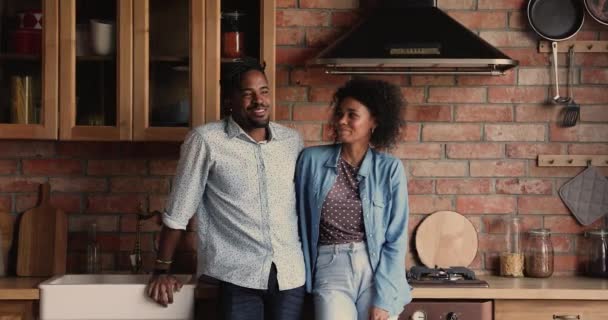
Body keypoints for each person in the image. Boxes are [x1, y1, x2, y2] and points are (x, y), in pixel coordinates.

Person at [147, 57, 306, 320]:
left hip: (290, 276)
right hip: (237, 277)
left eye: (264, 91)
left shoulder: (292, 141)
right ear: (229, 100)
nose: (259, 101)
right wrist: (162, 270)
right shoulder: (206, 141)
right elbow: (178, 211)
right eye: (248, 94)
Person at [295, 78, 411, 320]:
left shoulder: (390, 169)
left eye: (352, 115)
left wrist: (384, 297)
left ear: (374, 121)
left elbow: (396, 239)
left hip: (375, 271)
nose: (341, 121)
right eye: (339, 113)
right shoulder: (310, 161)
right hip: (329, 268)